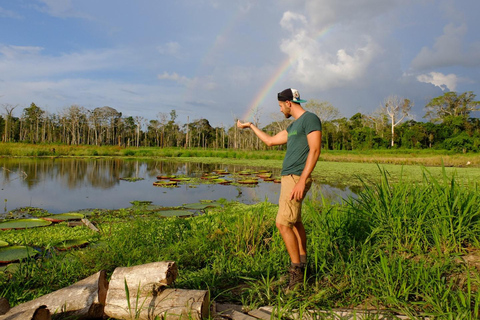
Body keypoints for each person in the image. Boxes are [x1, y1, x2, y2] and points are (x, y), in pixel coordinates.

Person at [237, 88, 322, 290]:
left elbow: (315, 149)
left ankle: (296, 276)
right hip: (289, 177)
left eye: (280, 106)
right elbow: (270, 141)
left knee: (283, 223)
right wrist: (250, 126)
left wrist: (302, 180)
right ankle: (303, 267)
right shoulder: (294, 126)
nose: (280, 109)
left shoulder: (310, 119)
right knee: (295, 223)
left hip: (296, 178)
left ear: (289, 103)